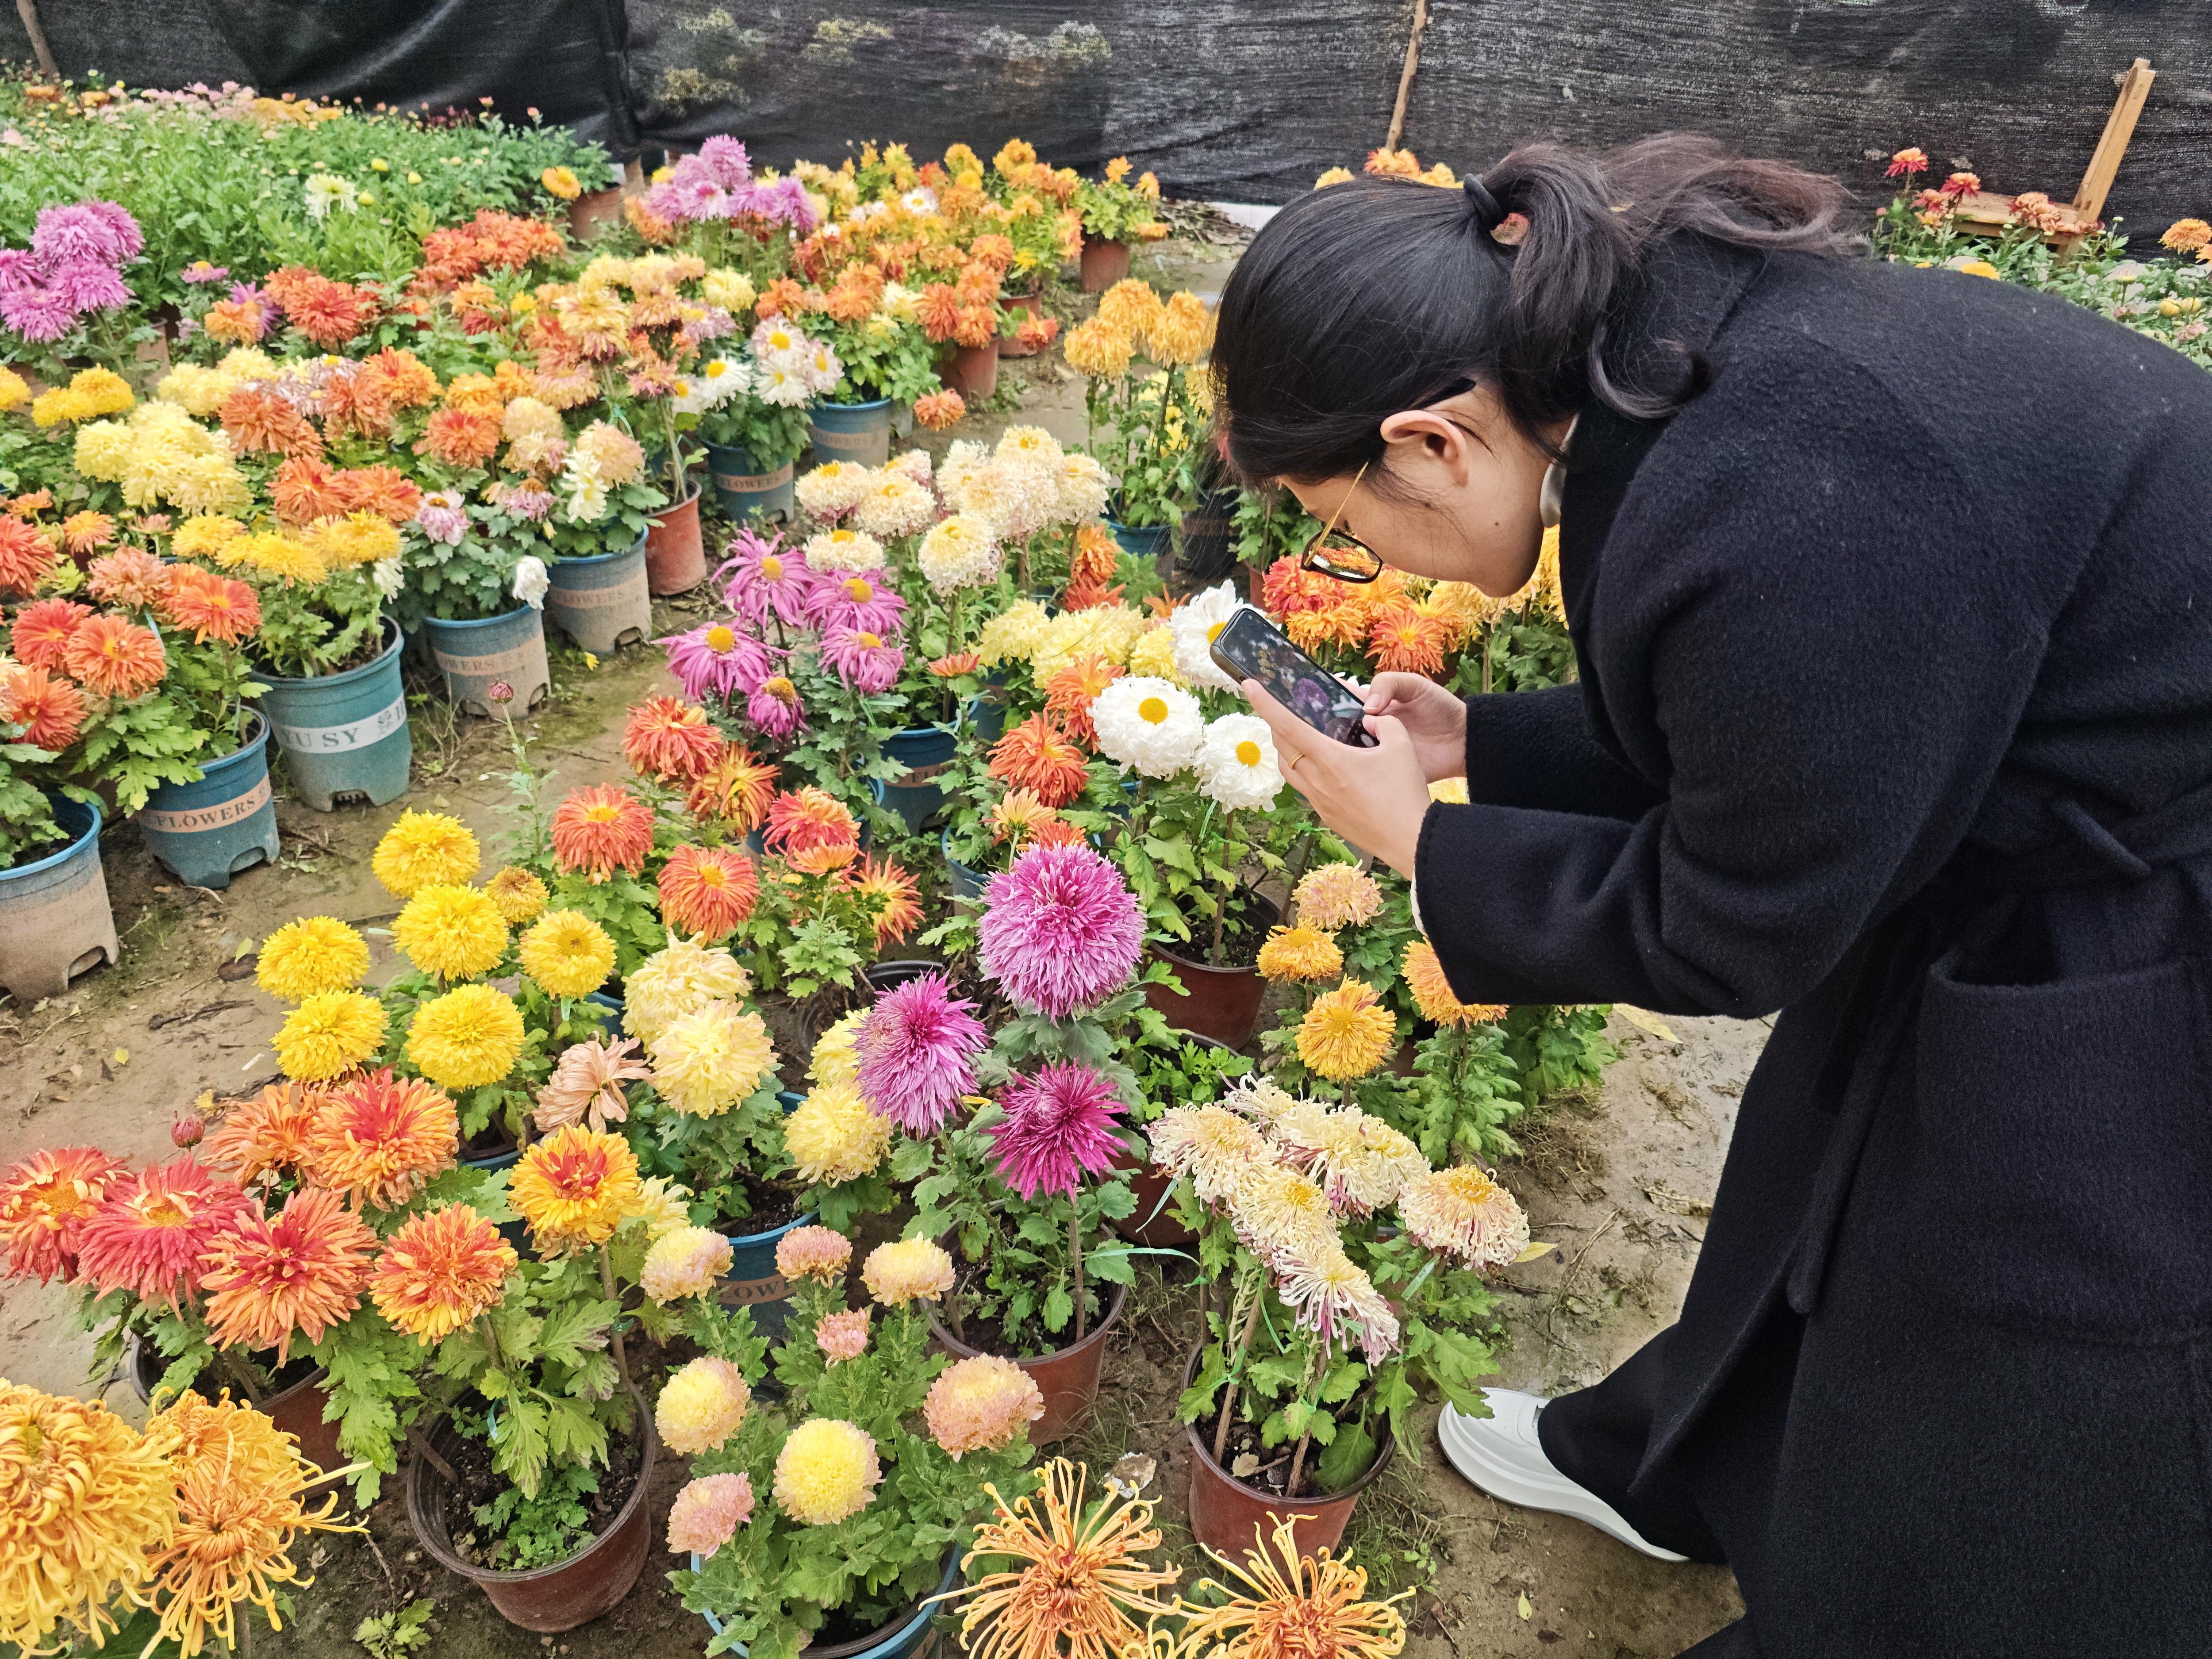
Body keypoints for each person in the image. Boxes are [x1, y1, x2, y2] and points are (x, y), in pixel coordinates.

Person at [1214, 136, 2212, 1657]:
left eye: (1344, 522)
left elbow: (1737, 924)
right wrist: (1486, 743)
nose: (1363, 558)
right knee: (1826, 1155)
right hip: (2034, 784)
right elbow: (1799, 721)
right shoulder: (1662, 355)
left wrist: (1424, 848)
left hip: (2160, 883)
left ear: (1431, 442)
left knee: (2012, 1331)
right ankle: (1682, 1468)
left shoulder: (1785, 494)